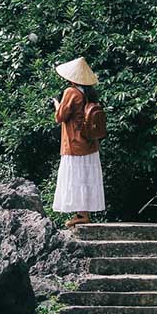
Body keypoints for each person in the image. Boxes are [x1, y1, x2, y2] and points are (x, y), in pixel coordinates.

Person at [51, 57, 106, 226]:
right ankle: (84, 213)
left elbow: (60, 117)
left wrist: (55, 104)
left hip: (74, 143)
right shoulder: (90, 93)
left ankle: (81, 214)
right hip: (89, 142)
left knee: (75, 177)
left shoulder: (71, 92)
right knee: (86, 177)